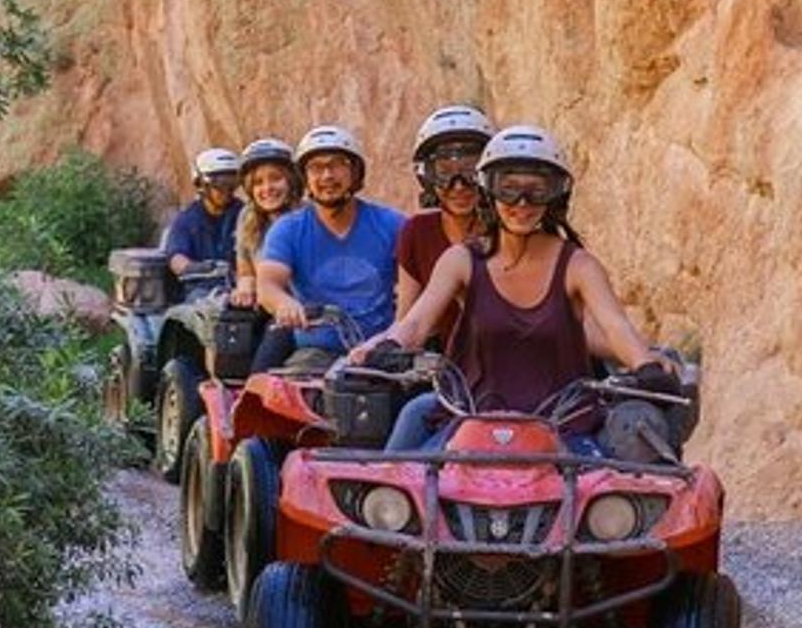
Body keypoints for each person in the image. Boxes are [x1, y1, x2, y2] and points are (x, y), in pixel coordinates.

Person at [353, 125, 679, 456]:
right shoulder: (461, 261)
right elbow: (416, 322)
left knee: (622, 495)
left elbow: (615, 326)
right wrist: (387, 346)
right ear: (488, 192)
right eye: (508, 189)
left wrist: (644, 364)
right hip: (470, 422)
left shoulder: (579, 265)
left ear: (556, 195)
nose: (522, 203)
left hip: (563, 426)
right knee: (400, 490)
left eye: (537, 190)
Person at [253, 125, 407, 372]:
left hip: (382, 350)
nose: (326, 176)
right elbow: (268, 285)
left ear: (355, 172)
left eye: (337, 164)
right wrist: (284, 304)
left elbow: (420, 284)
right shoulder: (288, 229)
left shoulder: (392, 224)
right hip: (317, 354)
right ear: (305, 178)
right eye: (316, 168)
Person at [394, 104, 496, 341]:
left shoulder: (509, 232)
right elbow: (406, 318)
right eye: (445, 173)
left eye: (470, 171)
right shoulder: (417, 232)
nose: (458, 186)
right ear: (426, 177)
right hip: (444, 365)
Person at [231, 137, 300, 310]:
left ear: (291, 181)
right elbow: (245, 270)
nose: (267, 188)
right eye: (258, 182)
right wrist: (246, 284)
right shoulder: (247, 217)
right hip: (266, 307)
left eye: (275, 178)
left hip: (302, 308)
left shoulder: (308, 217)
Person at [162, 147, 243, 284]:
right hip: (200, 289)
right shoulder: (187, 220)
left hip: (240, 287)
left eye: (232, 183)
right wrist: (196, 268)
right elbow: (176, 257)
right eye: (219, 184)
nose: (227, 190)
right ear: (201, 185)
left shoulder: (245, 214)